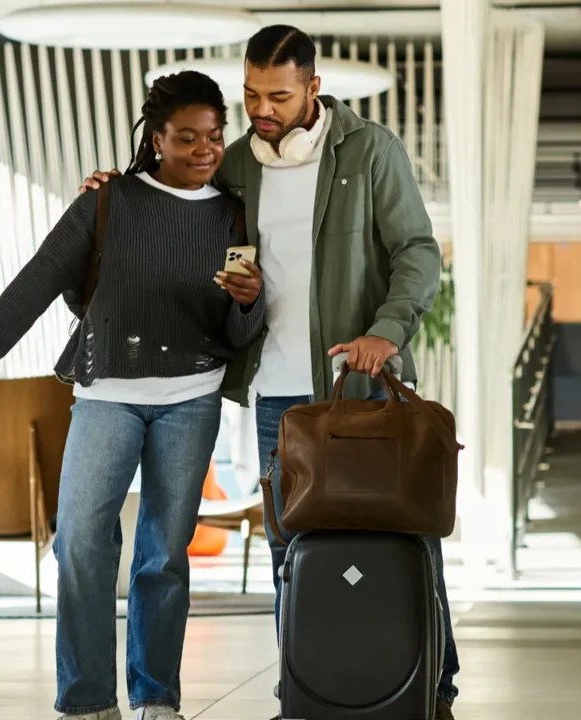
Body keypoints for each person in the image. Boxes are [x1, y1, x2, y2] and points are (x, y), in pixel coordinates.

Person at [80, 25, 457, 720]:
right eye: (251, 94)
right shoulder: (236, 167)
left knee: (403, 533)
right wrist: (114, 190)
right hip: (273, 395)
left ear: (313, 88)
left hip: (359, 386)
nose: (262, 109)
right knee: (292, 548)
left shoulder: (368, 151)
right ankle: (304, 687)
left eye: (278, 96)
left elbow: (416, 252)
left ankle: (434, 688)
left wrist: (385, 330)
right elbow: (175, 195)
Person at [0, 70, 266, 720]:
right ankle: (88, 700)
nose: (205, 150)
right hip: (107, 395)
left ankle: (156, 698)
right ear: (156, 139)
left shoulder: (232, 213)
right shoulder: (106, 202)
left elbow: (238, 333)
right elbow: (44, 272)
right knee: (82, 541)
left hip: (194, 396)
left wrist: (249, 301)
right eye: (188, 138)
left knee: (163, 552)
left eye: (214, 136)